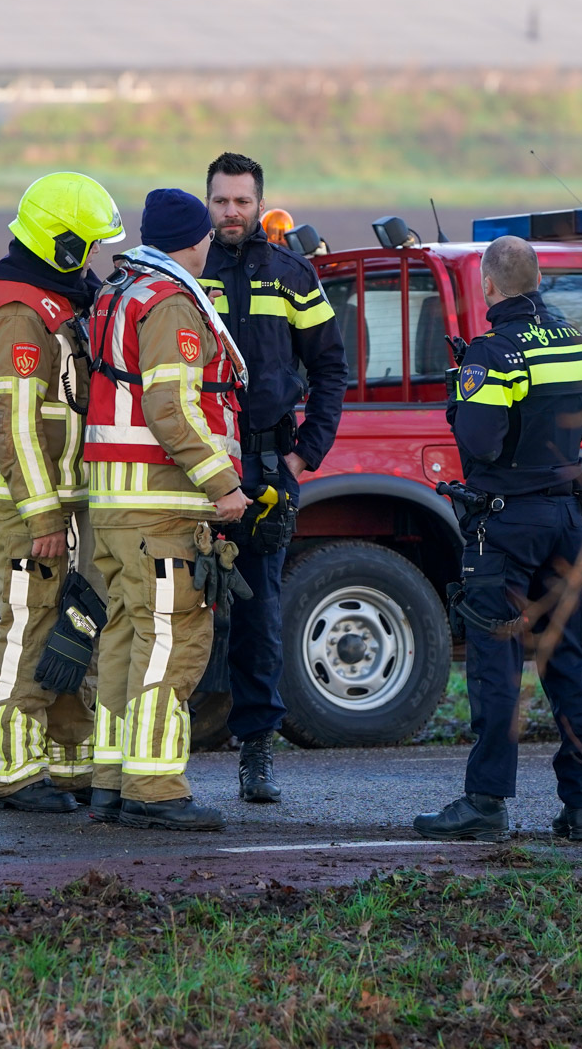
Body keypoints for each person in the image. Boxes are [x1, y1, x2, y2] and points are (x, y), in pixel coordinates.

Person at [414, 234, 582, 843]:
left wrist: (461, 396)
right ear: (538, 281)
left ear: (489, 285)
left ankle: (485, 803)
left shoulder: (492, 352)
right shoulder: (580, 345)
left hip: (505, 526)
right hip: (567, 520)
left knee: (497, 664)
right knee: (568, 662)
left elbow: (481, 443)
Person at [83, 188, 251, 831]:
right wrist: (223, 484)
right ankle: (154, 788)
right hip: (159, 508)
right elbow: (170, 408)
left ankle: (111, 778)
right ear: (194, 238)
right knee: (172, 643)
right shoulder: (171, 302)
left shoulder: (123, 292)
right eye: (207, 233)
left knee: (125, 641)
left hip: (118, 508)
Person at [0, 172, 124, 813]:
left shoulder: (59, 299)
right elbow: (14, 424)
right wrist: (42, 516)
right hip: (30, 505)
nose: (95, 255)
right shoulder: (20, 315)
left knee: (72, 626)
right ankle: (11, 771)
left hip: (63, 499)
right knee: (28, 626)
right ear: (60, 243)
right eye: (88, 243)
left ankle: (67, 761)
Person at [200, 152, 347, 802]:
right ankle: (152, 754)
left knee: (259, 614)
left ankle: (256, 750)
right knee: (169, 610)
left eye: (241, 201)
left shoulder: (292, 275)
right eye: (221, 201)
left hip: (265, 467)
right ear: (207, 204)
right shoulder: (189, 271)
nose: (231, 212)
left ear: (259, 204)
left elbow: (331, 368)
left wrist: (303, 454)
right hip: (192, 467)